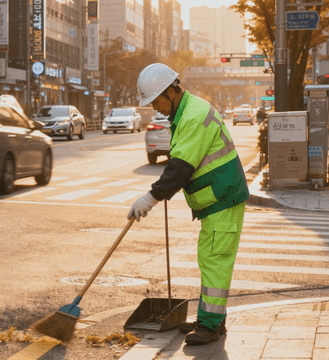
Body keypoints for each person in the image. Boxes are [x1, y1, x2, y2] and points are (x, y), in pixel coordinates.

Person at [128, 63, 249, 345]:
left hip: (223, 197)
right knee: (210, 259)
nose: (156, 107)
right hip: (217, 199)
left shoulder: (193, 116)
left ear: (171, 91)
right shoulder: (186, 111)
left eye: (156, 100)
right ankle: (212, 318)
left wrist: (150, 198)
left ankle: (209, 326)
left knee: (215, 261)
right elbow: (181, 163)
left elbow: (180, 168)